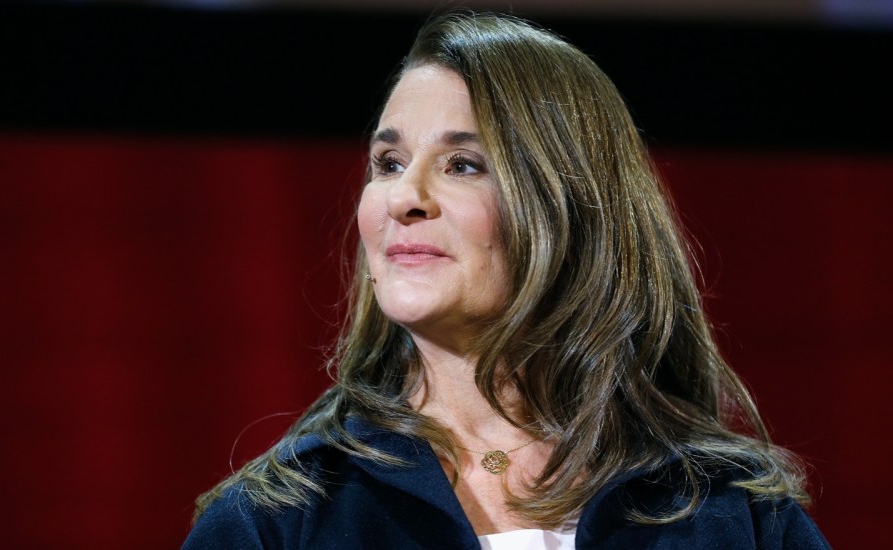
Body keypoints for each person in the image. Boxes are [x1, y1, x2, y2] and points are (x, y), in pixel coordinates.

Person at [183, 11, 829, 549]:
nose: (404, 196)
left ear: (571, 205)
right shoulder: (277, 520)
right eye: (389, 162)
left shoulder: (733, 514)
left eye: (463, 164)